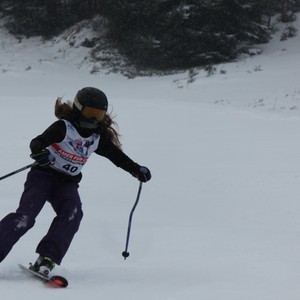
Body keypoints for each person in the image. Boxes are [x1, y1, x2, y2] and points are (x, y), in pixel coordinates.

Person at [0, 87, 151, 276]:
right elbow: (37, 142)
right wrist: (40, 153)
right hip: (42, 176)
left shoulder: (97, 137)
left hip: (66, 183)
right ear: (78, 108)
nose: (93, 120)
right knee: (25, 217)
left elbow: (117, 157)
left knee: (73, 214)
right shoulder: (64, 127)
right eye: (90, 113)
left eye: (98, 115)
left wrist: (136, 170)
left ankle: (47, 259)